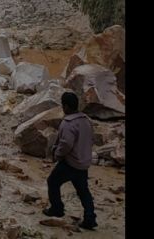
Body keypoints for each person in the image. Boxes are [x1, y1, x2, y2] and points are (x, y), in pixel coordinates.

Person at [43, 92, 97, 230]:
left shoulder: (68, 123)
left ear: (66, 106)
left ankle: (57, 208)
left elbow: (66, 144)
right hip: (83, 163)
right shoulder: (86, 121)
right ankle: (90, 218)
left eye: (63, 105)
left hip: (70, 162)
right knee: (83, 191)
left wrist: (58, 154)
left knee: (53, 182)